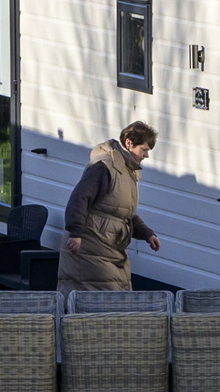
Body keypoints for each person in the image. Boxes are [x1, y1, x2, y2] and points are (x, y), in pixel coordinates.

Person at [59, 121, 162, 291]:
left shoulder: (128, 171)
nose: (146, 156)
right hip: (90, 248)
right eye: (144, 150)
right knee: (103, 301)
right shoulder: (104, 166)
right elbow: (79, 198)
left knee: (114, 302)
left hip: (111, 249)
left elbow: (122, 213)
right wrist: (76, 233)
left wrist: (146, 234)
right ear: (129, 143)